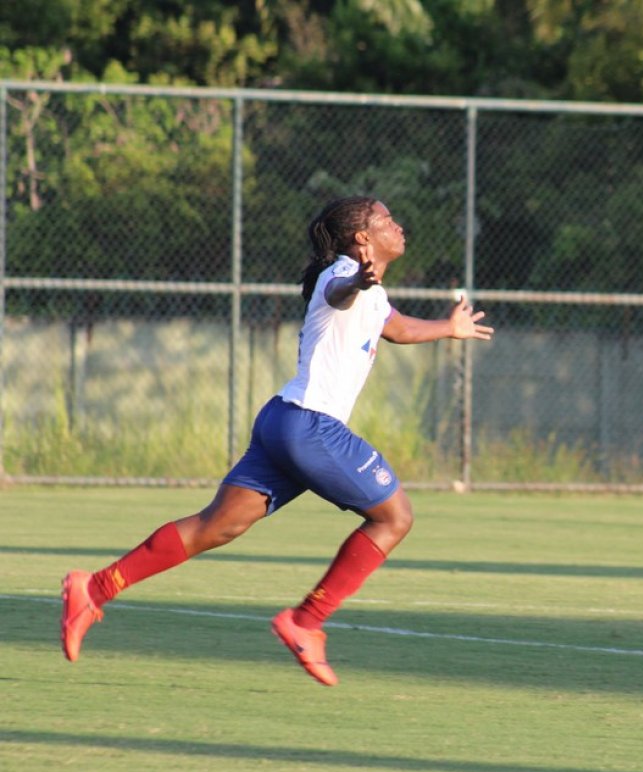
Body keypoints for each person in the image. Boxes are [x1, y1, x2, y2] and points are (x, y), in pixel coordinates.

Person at [59, 195, 493, 686]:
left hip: (282, 420)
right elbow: (339, 293)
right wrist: (358, 279)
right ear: (363, 238)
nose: (398, 225)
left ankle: (94, 589)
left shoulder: (373, 295)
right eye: (386, 219)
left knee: (215, 526)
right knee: (395, 517)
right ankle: (306, 622)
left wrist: (448, 328)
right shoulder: (342, 274)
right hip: (312, 425)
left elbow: (397, 328)